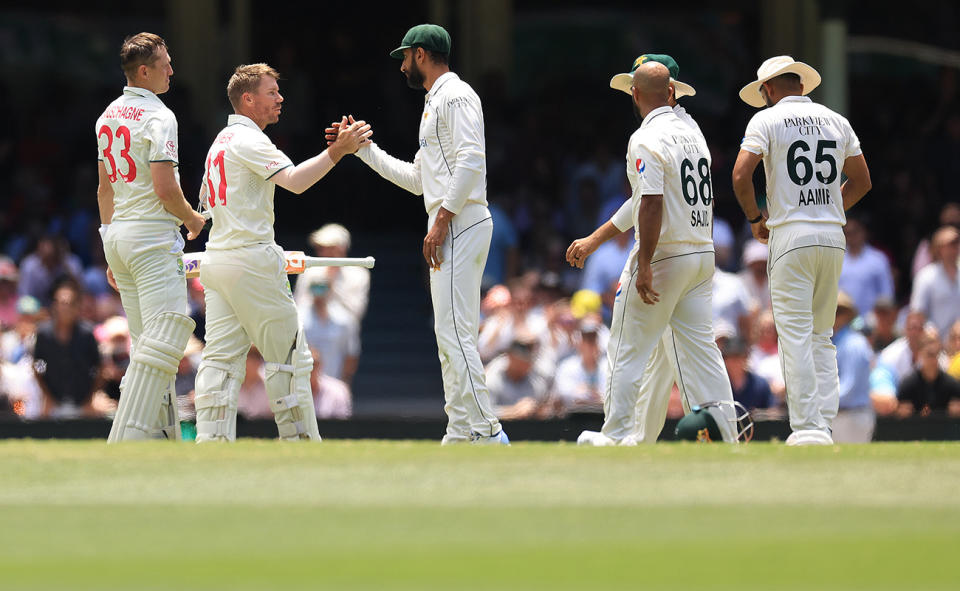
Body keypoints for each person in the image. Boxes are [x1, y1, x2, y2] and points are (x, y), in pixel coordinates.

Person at [329, 24, 507, 444]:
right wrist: (364, 151)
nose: (402, 65)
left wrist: (442, 219)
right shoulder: (434, 102)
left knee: (457, 332)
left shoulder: (457, 95)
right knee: (448, 333)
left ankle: (487, 429)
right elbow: (417, 179)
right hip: (450, 219)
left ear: (422, 55)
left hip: (460, 221)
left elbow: (472, 160)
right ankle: (462, 428)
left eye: (405, 57)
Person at [193, 63, 370, 442]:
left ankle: (209, 446)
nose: (280, 98)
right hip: (251, 261)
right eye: (271, 92)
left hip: (218, 260)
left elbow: (206, 209)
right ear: (248, 99)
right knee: (292, 359)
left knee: (221, 361)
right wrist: (337, 151)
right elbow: (295, 182)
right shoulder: (249, 138)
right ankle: (301, 445)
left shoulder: (219, 143)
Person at [567, 54, 737, 445]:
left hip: (665, 255)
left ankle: (614, 435)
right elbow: (647, 198)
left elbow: (652, 202)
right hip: (700, 253)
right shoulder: (693, 130)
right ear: (672, 92)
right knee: (702, 352)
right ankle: (729, 433)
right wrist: (596, 239)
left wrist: (644, 264)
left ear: (635, 93)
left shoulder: (643, 137)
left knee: (625, 346)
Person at [732, 55, 872, 445]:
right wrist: (827, 209)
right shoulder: (836, 120)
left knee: (794, 335)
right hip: (831, 236)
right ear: (802, 85)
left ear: (770, 89)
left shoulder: (766, 119)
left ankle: (808, 427)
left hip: (790, 235)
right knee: (821, 336)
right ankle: (824, 425)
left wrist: (754, 219)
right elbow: (861, 181)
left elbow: (741, 174)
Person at [95, 33, 207, 441]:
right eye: (165, 64)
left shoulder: (107, 115)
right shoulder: (159, 116)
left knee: (149, 347)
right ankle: (123, 443)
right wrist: (193, 219)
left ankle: (161, 442)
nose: (172, 71)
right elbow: (165, 189)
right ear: (144, 71)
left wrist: (110, 247)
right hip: (151, 238)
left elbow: (104, 191)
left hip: (119, 236)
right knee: (169, 335)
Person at [32, 281, 102, 418]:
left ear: (77, 307)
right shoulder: (43, 333)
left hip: (83, 402)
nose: (65, 308)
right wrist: (47, 397)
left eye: (69, 304)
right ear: (54, 306)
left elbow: (100, 368)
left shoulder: (87, 334)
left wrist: (91, 399)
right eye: (62, 303)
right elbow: (36, 366)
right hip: (53, 402)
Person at [294, 223, 371, 325]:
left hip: (342, 333)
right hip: (310, 331)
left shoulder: (358, 274)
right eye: (321, 247)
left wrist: (331, 279)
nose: (323, 251)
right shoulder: (309, 270)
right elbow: (300, 305)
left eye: (330, 247)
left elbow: (356, 312)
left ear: (341, 248)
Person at [832, 292, 876, 443]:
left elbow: (848, 389)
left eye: (837, 311)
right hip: (840, 416)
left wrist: (818, 403)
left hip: (851, 417)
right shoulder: (835, 341)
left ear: (846, 316)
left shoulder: (854, 344)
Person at [838, 216, 894, 318]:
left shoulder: (878, 259)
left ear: (863, 232)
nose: (851, 237)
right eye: (847, 233)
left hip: (869, 322)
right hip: (840, 322)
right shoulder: (836, 259)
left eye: (854, 232)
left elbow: (886, 295)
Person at [910, 226, 960, 339]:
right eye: (951, 245)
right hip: (936, 345)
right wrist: (931, 333)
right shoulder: (926, 276)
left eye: (957, 244)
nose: (956, 248)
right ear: (939, 248)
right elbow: (918, 313)